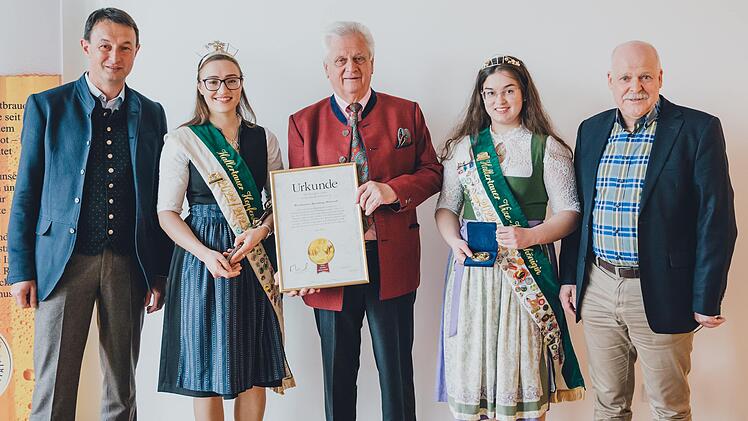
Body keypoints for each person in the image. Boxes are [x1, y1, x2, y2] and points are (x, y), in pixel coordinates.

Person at [6, 8, 172, 420]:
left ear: (136, 52)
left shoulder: (152, 112)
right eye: (105, 46)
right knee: (53, 387)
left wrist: (159, 271)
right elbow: (26, 193)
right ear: (86, 47)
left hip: (128, 263)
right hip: (62, 264)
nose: (115, 56)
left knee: (121, 388)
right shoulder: (47, 106)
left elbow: (158, 197)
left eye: (125, 48)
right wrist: (20, 269)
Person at [559, 41, 737, 421]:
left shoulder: (697, 129)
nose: (634, 87)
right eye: (625, 77)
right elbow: (580, 210)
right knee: (608, 405)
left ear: (660, 77)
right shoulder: (591, 130)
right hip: (598, 286)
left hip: (662, 289)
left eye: (644, 76)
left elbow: (716, 219)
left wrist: (707, 297)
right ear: (610, 80)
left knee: (669, 409)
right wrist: (570, 276)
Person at [287, 21, 442, 421]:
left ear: (372, 63)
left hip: (391, 260)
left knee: (396, 373)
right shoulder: (303, 122)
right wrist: (298, 265)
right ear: (326, 68)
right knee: (337, 374)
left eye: (359, 58)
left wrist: (392, 190)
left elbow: (432, 172)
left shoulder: (406, 112)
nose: (350, 67)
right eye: (340, 59)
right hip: (329, 267)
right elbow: (297, 203)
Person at [434, 55, 585, 421]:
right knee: (476, 366)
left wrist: (531, 235)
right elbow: (446, 208)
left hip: (526, 271)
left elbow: (570, 213)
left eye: (508, 91)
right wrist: (454, 241)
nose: (499, 100)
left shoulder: (547, 148)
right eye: (490, 93)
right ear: (481, 98)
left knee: (524, 364)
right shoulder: (464, 148)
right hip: (474, 274)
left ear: (524, 93)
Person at [156, 42, 294, 421]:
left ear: (241, 84)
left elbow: (279, 202)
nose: (223, 89)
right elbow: (167, 213)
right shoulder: (183, 140)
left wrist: (261, 232)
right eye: (213, 81)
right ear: (200, 86)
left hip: (253, 254)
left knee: (254, 362)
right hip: (203, 259)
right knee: (206, 366)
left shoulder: (263, 138)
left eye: (231, 80)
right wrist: (204, 254)